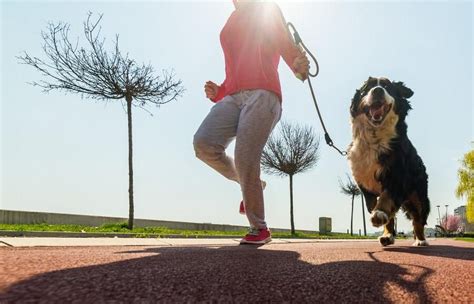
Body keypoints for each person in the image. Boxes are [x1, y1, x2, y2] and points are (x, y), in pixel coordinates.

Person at [193, 0, 310, 244]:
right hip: (234, 96)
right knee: (203, 144)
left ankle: (260, 228)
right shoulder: (231, 19)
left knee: (245, 155)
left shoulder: (267, 8)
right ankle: (251, 182)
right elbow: (234, 68)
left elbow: (287, 47)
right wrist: (220, 91)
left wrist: (299, 67)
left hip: (264, 93)